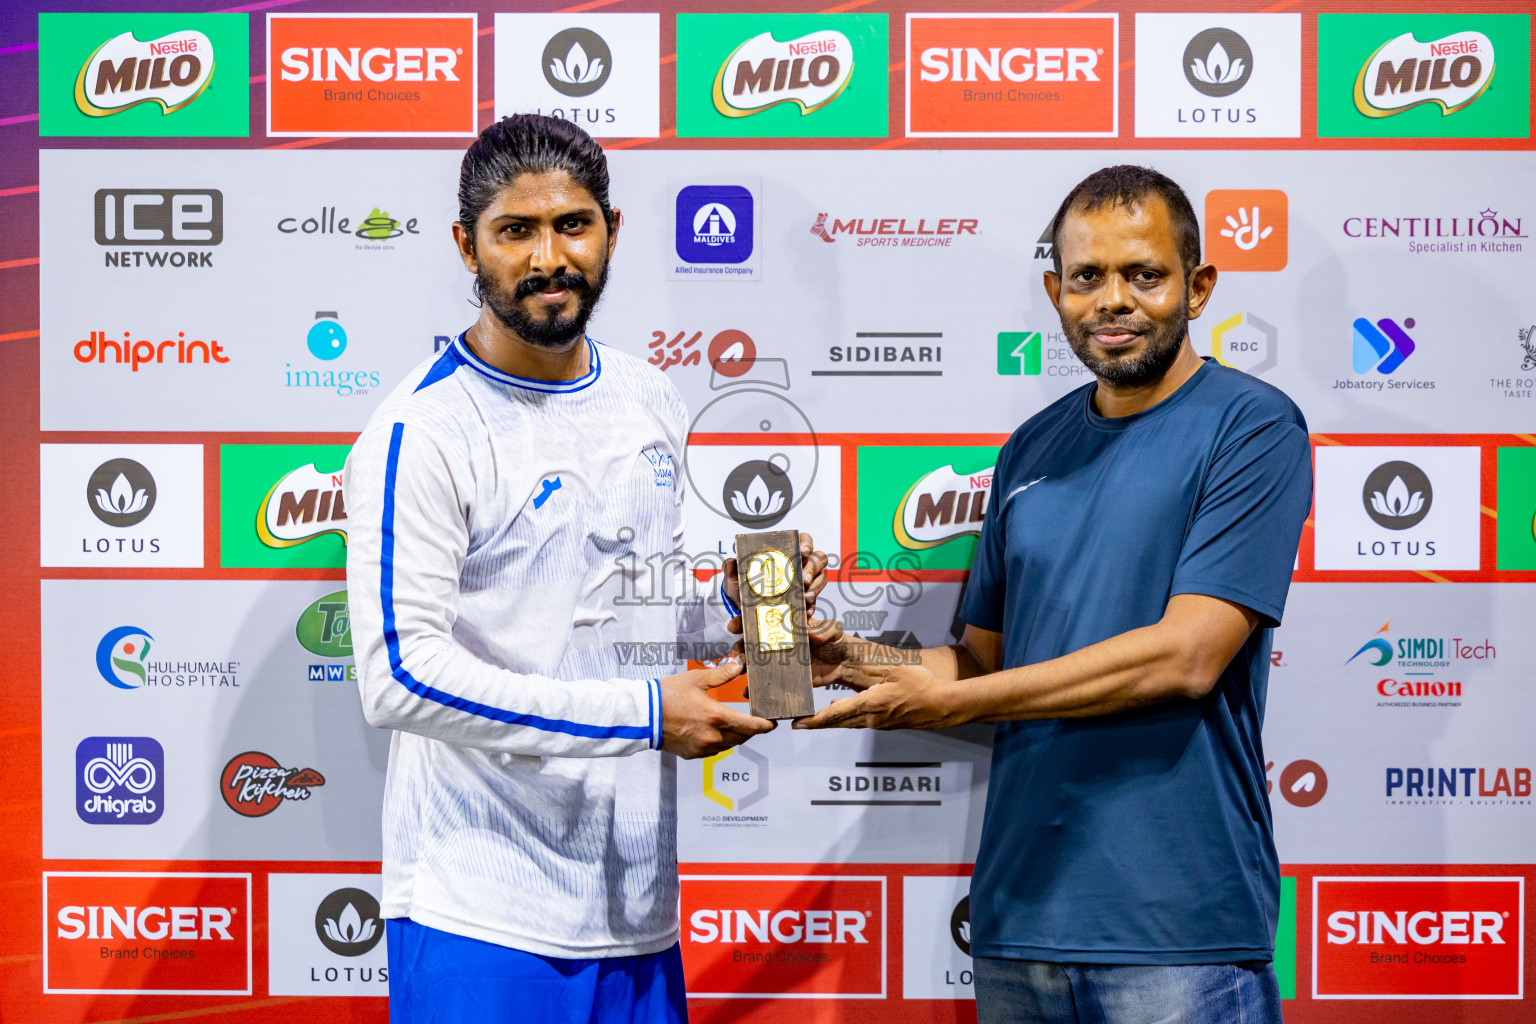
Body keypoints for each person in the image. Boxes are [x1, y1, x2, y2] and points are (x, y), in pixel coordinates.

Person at [798, 165, 1312, 1023]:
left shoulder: (1252, 425)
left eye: (1144, 275)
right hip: (1019, 921)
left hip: (1176, 931)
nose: (1114, 300)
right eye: (1088, 277)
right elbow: (980, 661)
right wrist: (849, 657)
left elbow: (1188, 655)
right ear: (1056, 290)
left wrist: (947, 697)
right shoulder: (1031, 447)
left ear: (1200, 285)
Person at [344, 114, 827, 1024]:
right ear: (466, 245)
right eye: (515, 231)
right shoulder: (423, 431)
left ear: (610, 229)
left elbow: (628, 622)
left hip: (634, 909)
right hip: (482, 913)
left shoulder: (646, 394)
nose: (547, 257)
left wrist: (743, 603)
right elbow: (398, 677)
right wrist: (648, 716)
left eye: (572, 225)